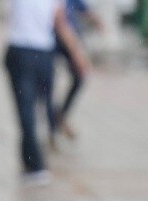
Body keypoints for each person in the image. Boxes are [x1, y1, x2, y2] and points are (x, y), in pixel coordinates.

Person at [4, 0, 88, 184]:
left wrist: (77, 55)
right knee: (42, 105)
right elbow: (62, 23)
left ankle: (35, 163)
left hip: (22, 51)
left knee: (26, 110)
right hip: (43, 55)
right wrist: (77, 54)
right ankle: (35, 156)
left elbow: (61, 22)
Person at [51, 0, 101, 142]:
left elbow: (85, 9)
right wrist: (77, 53)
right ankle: (54, 124)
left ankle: (60, 116)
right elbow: (61, 24)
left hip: (70, 41)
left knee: (79, 78)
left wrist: (97, 21)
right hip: (53, 43)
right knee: (47, 84)